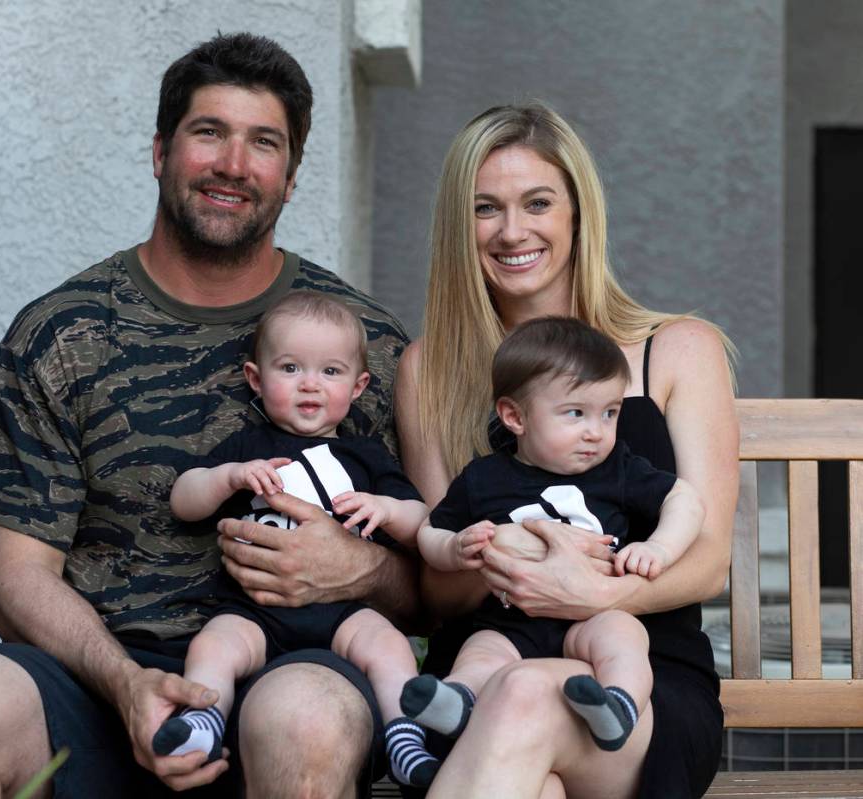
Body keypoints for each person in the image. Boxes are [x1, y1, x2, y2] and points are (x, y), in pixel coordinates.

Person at [0, 33, 418, 798]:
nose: (234, 164)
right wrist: (126, 682)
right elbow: (14, 578)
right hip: (95, 684)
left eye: (263, 142)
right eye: (209, 133)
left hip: (298, 663)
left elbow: (439, 569)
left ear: (292, 177)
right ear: (162, 151)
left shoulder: (357, 342)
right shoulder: (63, 332)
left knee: (308, 720)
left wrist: (361, 564)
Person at [394, 102, 738, 798]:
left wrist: (593, 591)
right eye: (486, 208)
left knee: (525, 699)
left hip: (637, 677)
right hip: (485, 666)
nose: (512, 230)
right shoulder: (431, 372)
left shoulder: (676, 350)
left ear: (578, 213)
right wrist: (510, 555)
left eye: (538, 202)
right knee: (533, 766)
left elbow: (707, 561)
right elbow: (436, 593)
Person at [164, 290, 439, 788]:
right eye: (290, 368)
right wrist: (227, 477)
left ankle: (405, 737)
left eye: (330, 372)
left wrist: (386, 508)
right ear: (256, 378)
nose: (310, 384)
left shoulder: (366, 456)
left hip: (343, 611)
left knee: (390, 647)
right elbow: (183, 499)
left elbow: (422, 521)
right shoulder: (249, 449)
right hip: (254, 611)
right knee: (213, 646)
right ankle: (203, 720)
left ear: (358, 387)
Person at [399, 316, 704, 756]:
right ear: (514, 416)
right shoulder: (484, 478)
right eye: (575, 414)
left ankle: (617, 703)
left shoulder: (617, 467)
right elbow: (432, 531)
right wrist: (453, 548)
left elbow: (685, 500)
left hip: (591, 616)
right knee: (482, 652)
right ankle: (458, 700)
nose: (595, 432)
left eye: (610, 413)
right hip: (511, 620)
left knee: (623, 635)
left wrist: (658, 548)